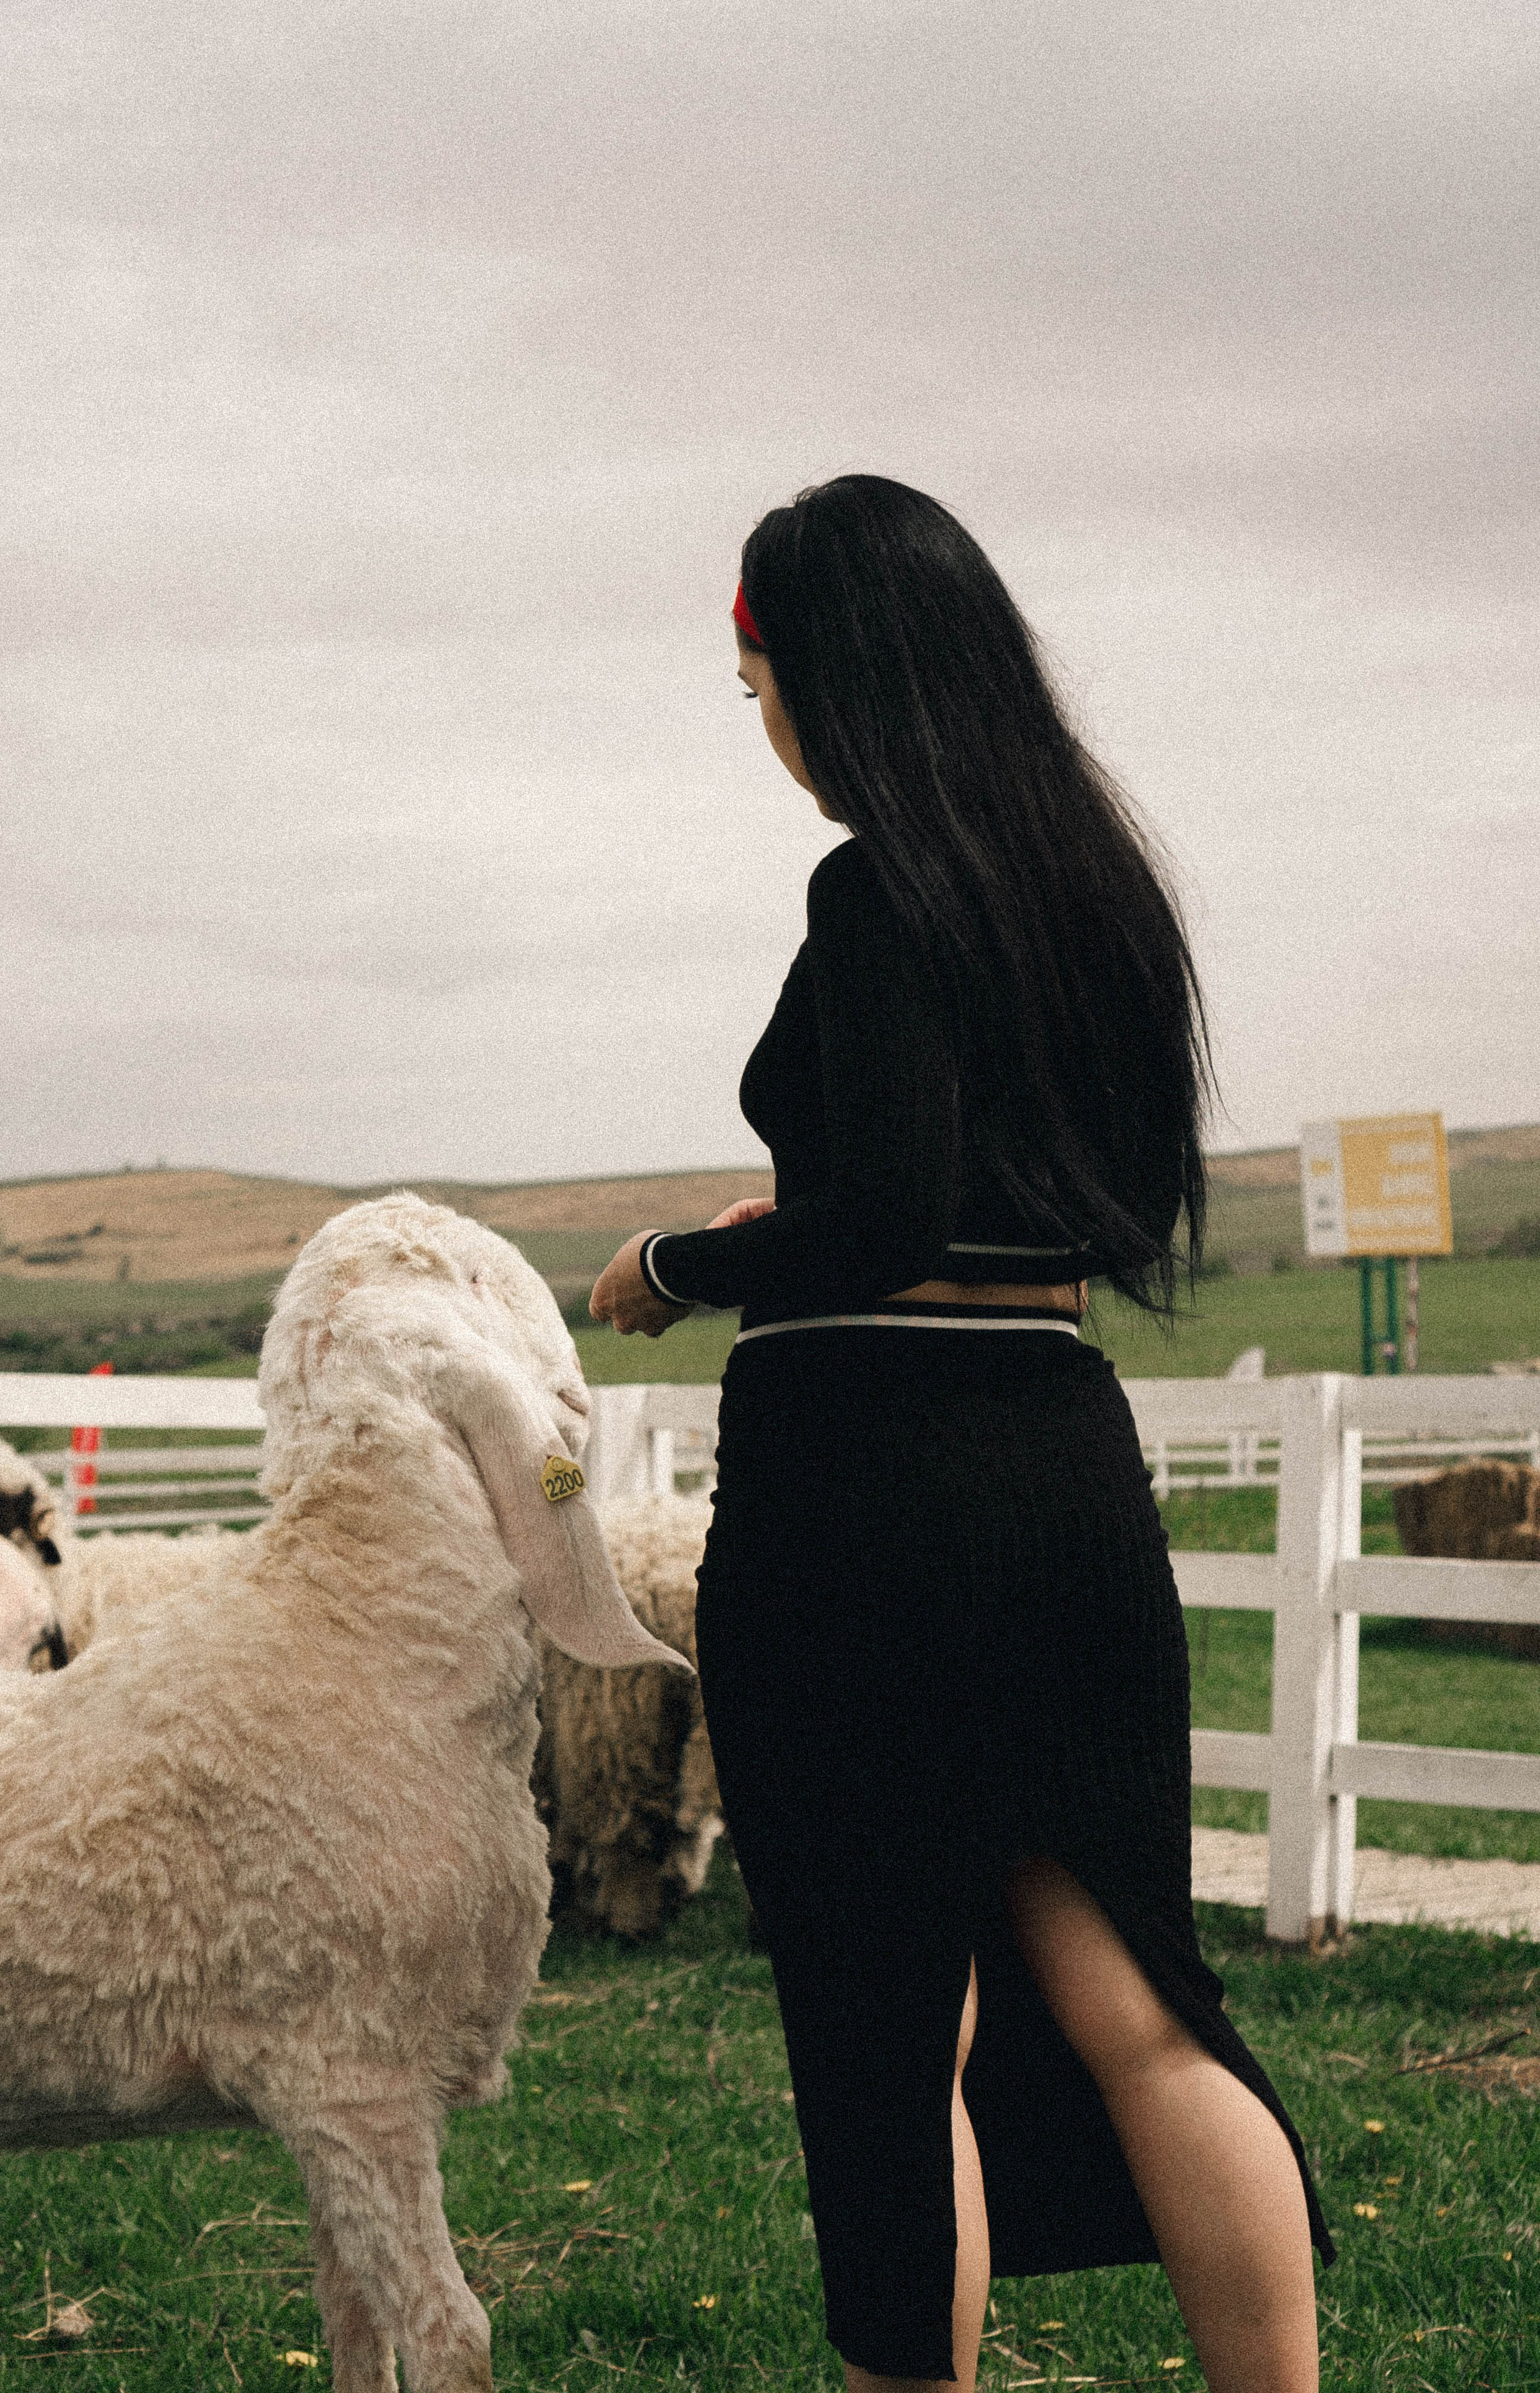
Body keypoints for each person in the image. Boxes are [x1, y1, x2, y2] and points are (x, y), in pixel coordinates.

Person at [590, 476, 1329, 2393]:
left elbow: (893, 1217)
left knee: (884, 2025)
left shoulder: (876, 888)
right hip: (1062, 1470)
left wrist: (681, 1260)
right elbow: (1032, 1209)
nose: (767, 730)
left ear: (824, 674)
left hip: (870, 1506)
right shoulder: (1086, 879)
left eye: (757, 686)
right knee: (1140, 2002)